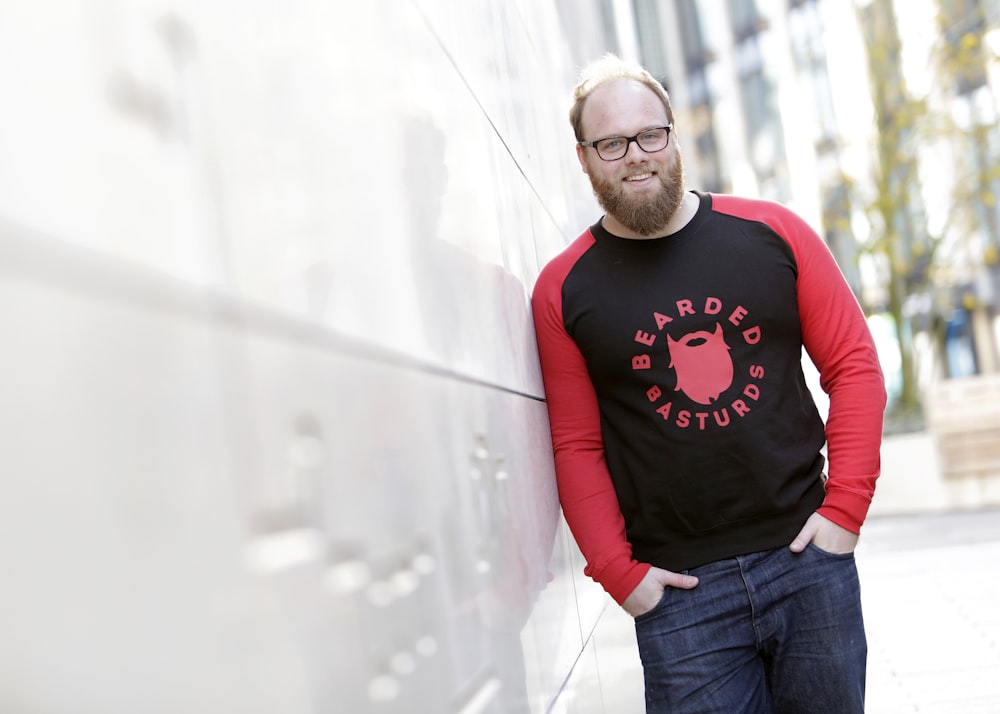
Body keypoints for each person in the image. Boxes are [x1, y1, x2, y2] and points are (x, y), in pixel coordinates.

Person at [530, 54, 886, 713]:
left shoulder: (774, 233)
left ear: (673, 134)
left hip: (806, 561)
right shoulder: (563, 289)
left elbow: (854, 368)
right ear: (584, 158)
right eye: (611, 144)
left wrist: (844, 513)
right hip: (681, 597)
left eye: (649, 135)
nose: (636, 156)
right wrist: (618, 573)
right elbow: (576, 444)